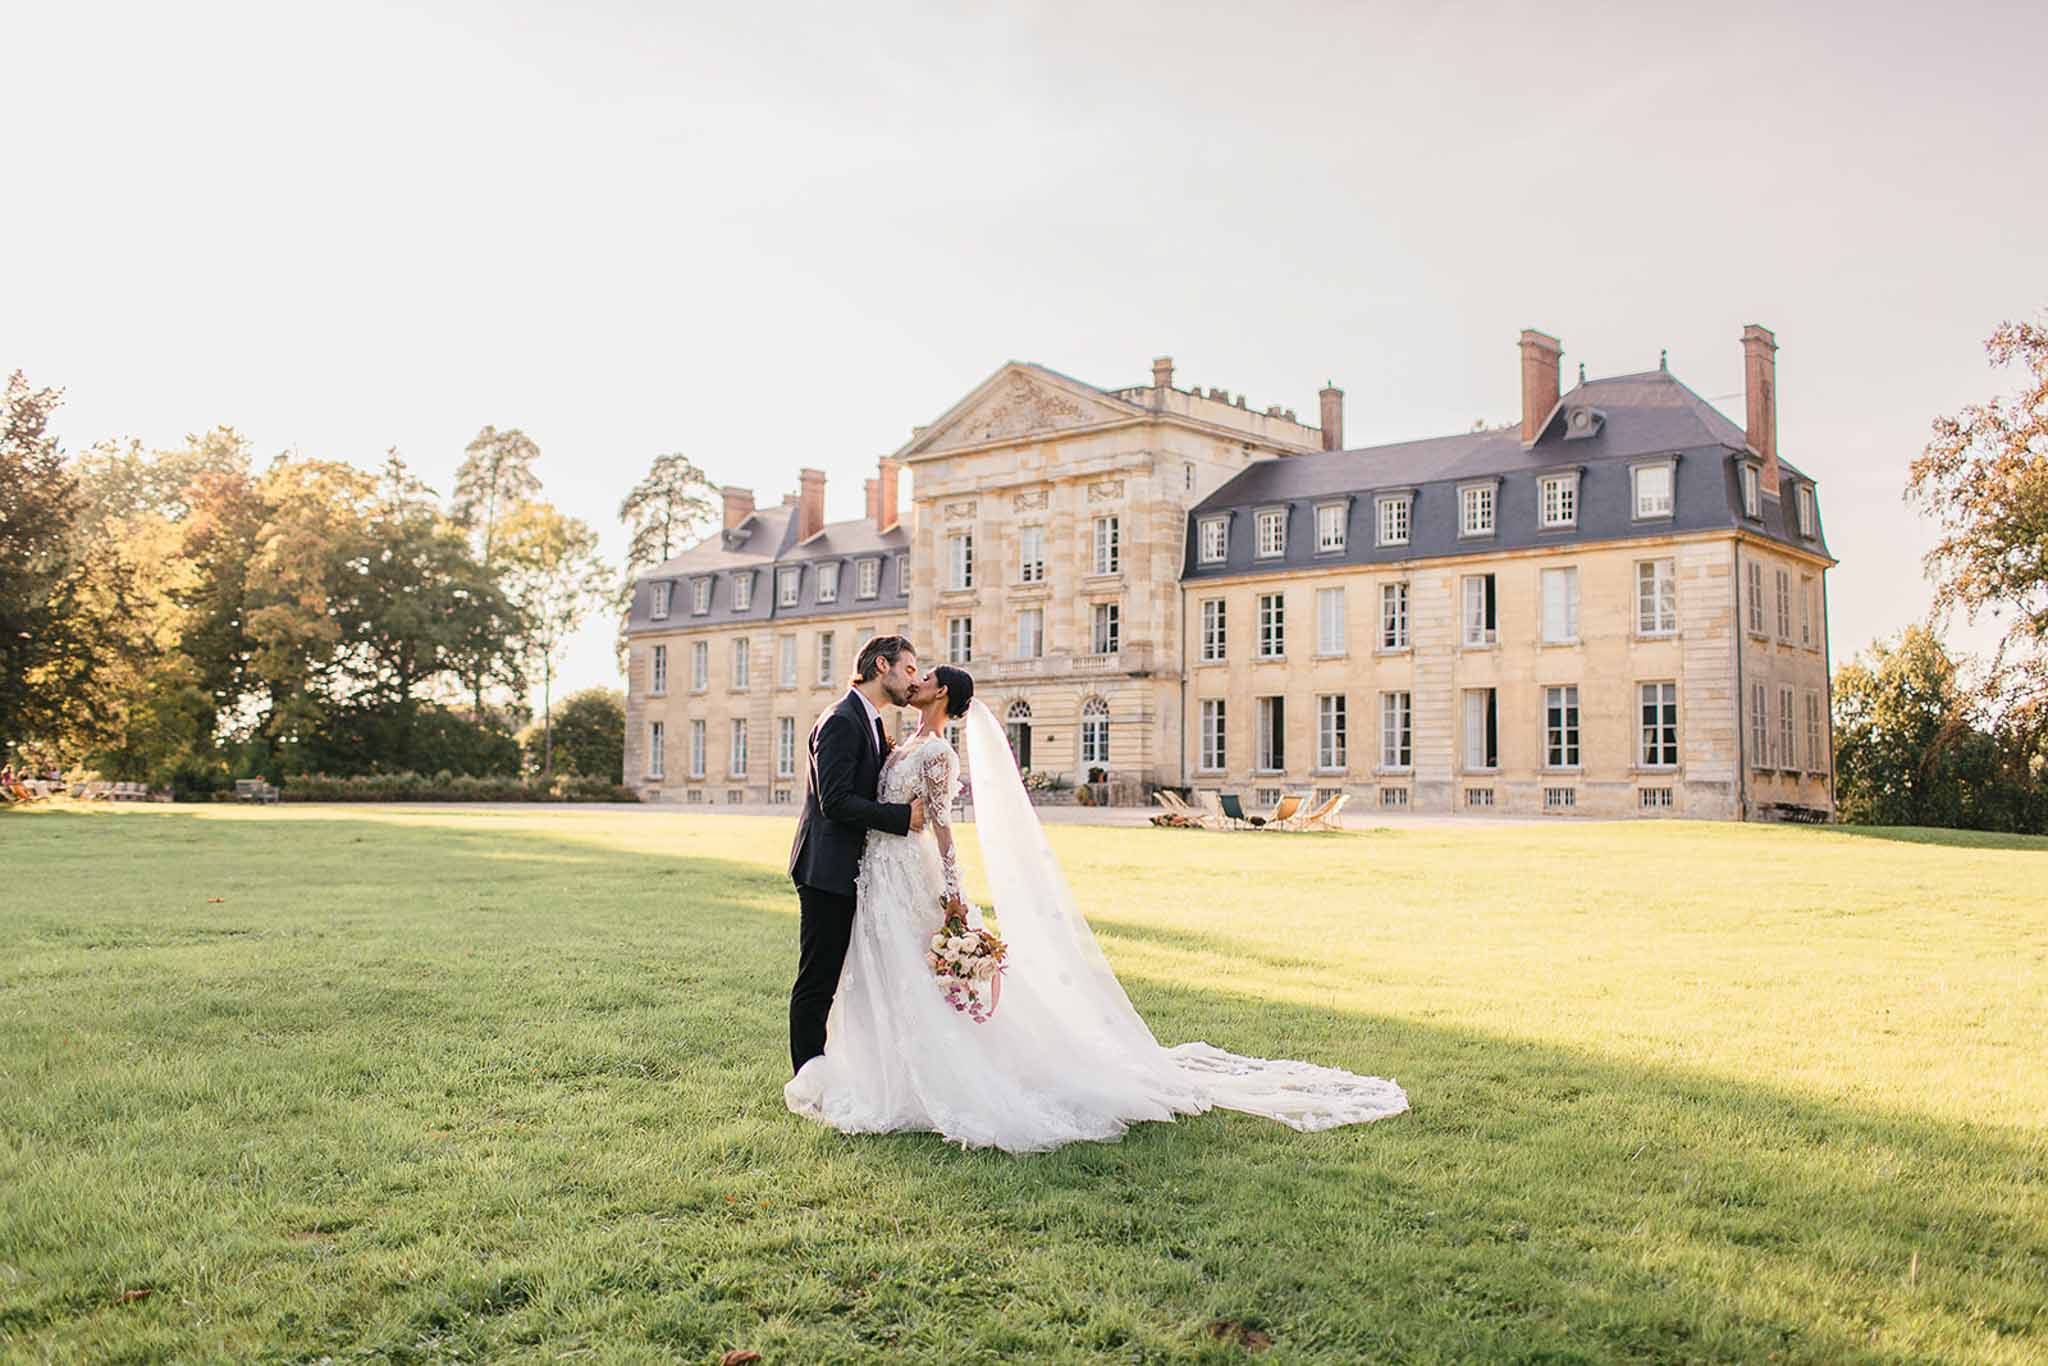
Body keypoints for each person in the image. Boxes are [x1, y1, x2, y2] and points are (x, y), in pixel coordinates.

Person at [785, 666, 1409, 1153]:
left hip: (913, 879)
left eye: (924, 677)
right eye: (910, 672)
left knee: (917, 979)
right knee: (880, 977)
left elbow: (944, 831)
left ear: (942, 694)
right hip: (879, 879)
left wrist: (954, 898)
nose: (913, 681)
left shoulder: (940, 754)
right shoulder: (895, 738)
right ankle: (875, 1072)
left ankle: (931, 1082)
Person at [786, 635, 927, 1076]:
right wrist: (903, 816)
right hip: (826, 869)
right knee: (818, 980)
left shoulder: (869, 721)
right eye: (909, 669)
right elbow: (836, 800)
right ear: (881, 665)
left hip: (854, 869)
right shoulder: (842, 720)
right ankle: (809, 1077)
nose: (915, 679)